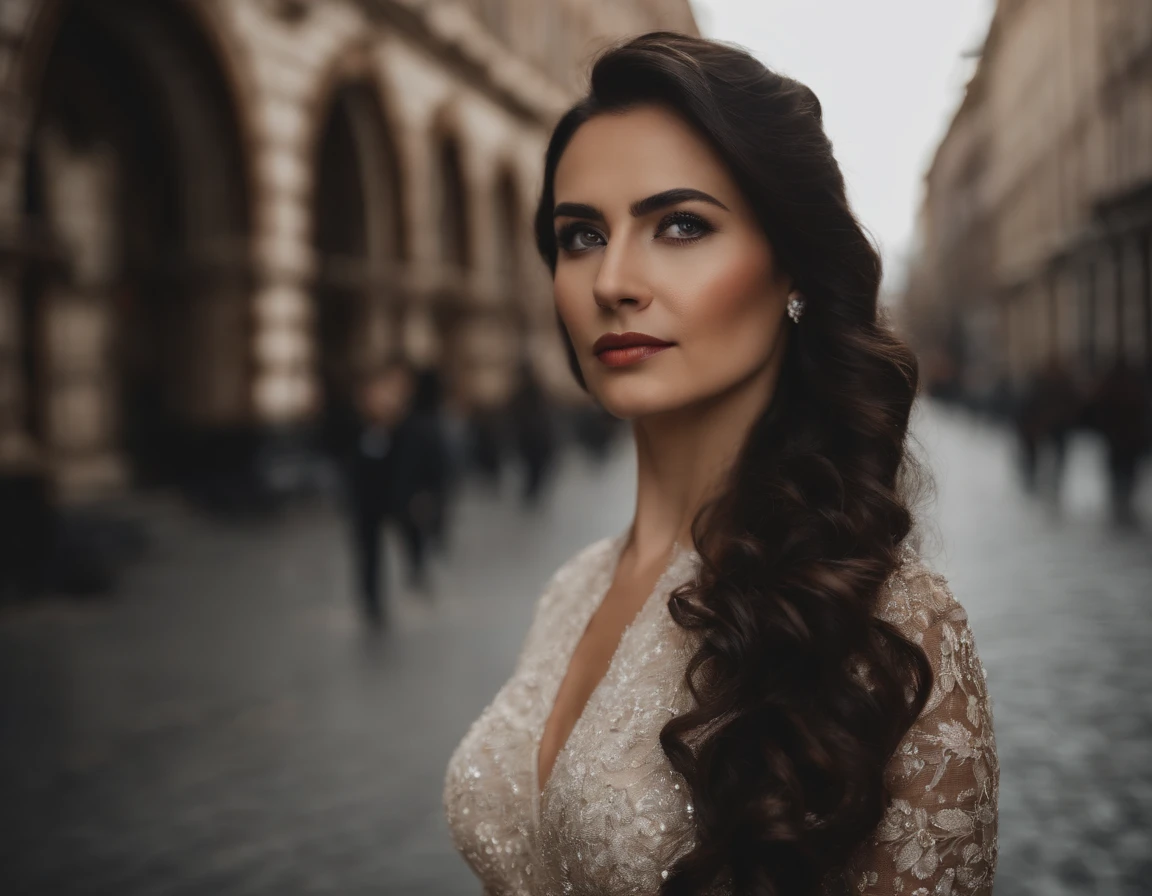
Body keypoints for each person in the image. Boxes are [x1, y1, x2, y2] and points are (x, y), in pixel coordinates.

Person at [443, 33, 998, 895]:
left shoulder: (892, 627)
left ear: (792, 269)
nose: (612, 281)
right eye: (581, 234)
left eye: (680, 225)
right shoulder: (570, 591)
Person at [342, 359, 439, 627]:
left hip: (398, 497)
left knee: (410, 535)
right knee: (368, 551)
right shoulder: (359, 425)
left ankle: (417, 571)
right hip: (366, 500)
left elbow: (419, 459)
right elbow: (348, 459)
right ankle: (371, 600)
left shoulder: (409, 424)